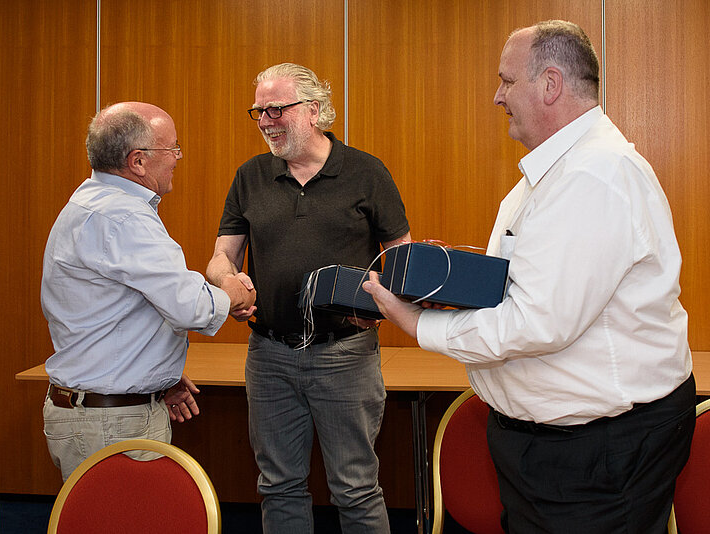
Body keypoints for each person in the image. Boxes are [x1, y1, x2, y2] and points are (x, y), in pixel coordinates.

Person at [364, 20, 695, 533]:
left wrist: (418, 323)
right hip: (563, 448)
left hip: (596, 453)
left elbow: (537, 322)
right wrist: (453, 289)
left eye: (507, 80)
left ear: (551, 84)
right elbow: (524, 287)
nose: (497, 96)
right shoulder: (555, 175)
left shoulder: (593, 175)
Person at [206, 63, 411, 533]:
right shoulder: (250, 175)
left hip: (345, 356)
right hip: (269, 356)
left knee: (355, 488)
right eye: (259, 111)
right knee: (278, 486)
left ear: (314, 111)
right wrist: (227, 282)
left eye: (277, 109)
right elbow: (221, 256)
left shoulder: (366, 172)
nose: (265, 121)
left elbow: (402, 261)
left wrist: (379, 307)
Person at [41, 101, 256, 482]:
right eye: (172, 148)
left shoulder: (90, 202)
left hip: (98, 413)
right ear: (138, 161)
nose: (177, 157)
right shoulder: (124, 217)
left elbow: (120, 310)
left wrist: (159, 376)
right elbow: (191, 307)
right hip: (112, 423)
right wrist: (235, 291)